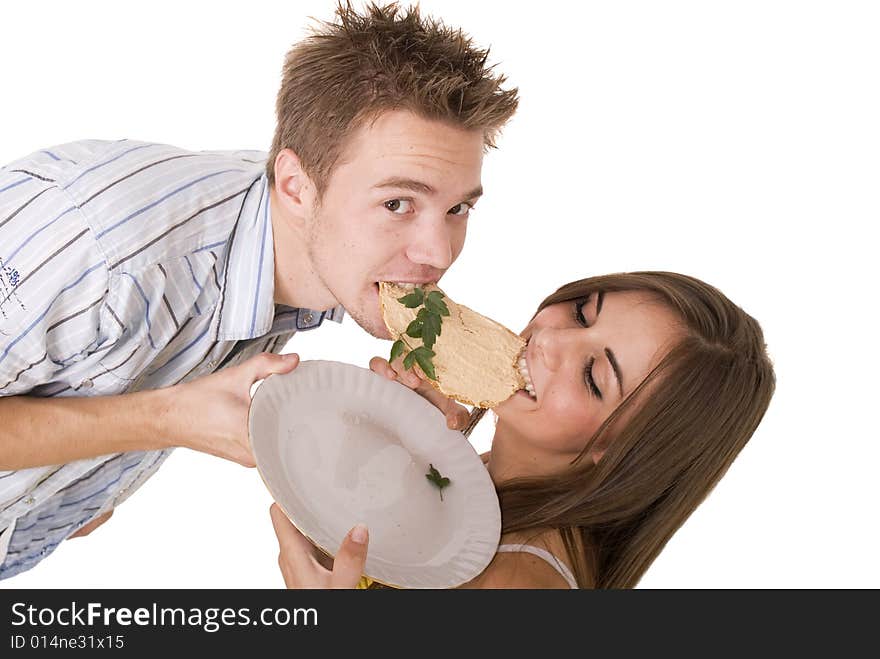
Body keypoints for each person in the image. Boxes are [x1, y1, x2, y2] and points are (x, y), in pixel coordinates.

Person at [0, 2, 518, 580]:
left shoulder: (311, 252)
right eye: (397, 203)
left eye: (458, 208)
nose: (439, 253)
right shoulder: (106, 256)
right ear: (296, 186)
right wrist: (159, 418)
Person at [269, 271, 776, 588]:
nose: (551, 340)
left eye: (593, 376)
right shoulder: (480, 481)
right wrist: (402, 450)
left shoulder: (521, 583)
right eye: (582, 312)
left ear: (620, 450)